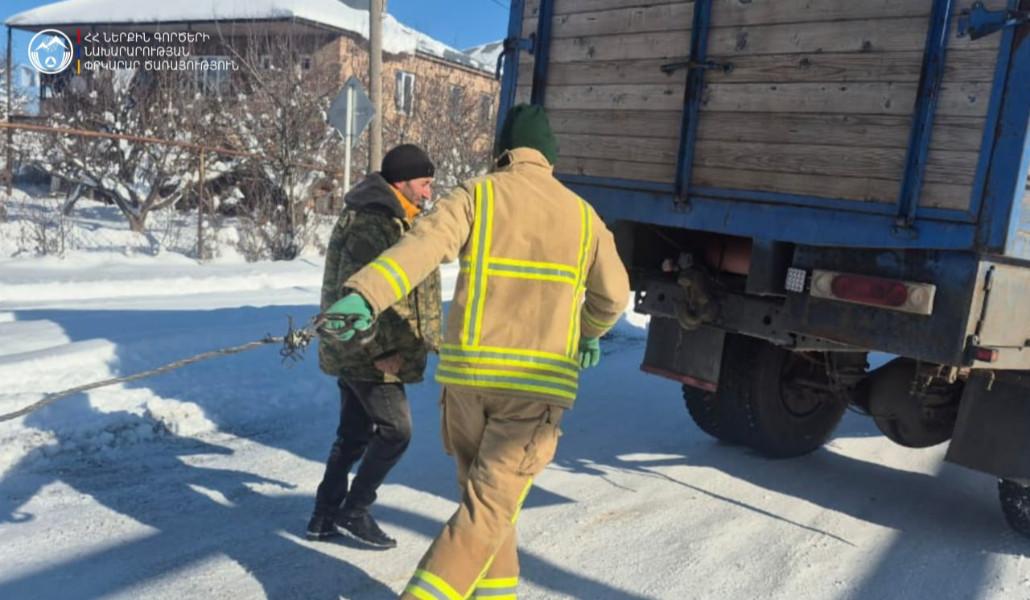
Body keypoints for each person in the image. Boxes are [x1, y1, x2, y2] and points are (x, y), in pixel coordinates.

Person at [325, 105, 630, 598]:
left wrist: (366, 294)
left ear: (503, 153)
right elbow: (613, 296)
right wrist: (588, 331)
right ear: (550, 157)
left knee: (487, 509)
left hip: (467, 385)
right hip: (534, 389)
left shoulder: (477, 195)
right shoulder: (583, 215)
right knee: (487, 512)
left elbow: (421, 247)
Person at [307, 144, 442, 549]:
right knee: (396, 431)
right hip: (369, 352)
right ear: (402, 182)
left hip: (362, 350)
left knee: (353, 435)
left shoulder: (399, 218)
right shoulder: (373, 222)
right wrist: (380, 350)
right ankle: (355, 509)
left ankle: (323, 517)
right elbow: (358, 295)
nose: (429, 191)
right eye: (424, 183)